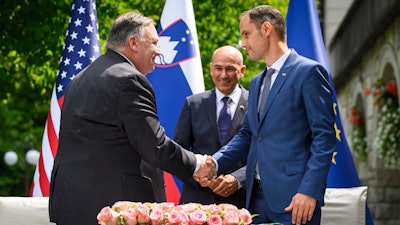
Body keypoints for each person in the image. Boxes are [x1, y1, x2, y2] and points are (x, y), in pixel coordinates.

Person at [48, 12, 215, 225]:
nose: (159, 50)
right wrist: (197, 164)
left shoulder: (82, 77)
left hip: (71, 205)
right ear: (133, 43)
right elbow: (155, 147)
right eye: (154, 42)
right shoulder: (129, 80)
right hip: (113, 209)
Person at [208, 5, 336, 225]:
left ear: (266, 29)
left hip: (295, 202)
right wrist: (213, 162)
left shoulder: (309, 72)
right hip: (254, 200)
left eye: (246, 34)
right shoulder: (257, 81)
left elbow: (324, 138)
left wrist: (309, 191)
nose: (243, 43)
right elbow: (248, 134)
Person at [173, 45, 248, 208]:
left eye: (230, 69)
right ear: (210, 69)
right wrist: (201, 179)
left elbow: (265, 154)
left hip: (242, 202)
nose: (223, 75)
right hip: (197, 203)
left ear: (242, 71)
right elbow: (178, 153)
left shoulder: (257, 105)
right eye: (218, 68)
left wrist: (239, 179)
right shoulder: (193, 104)